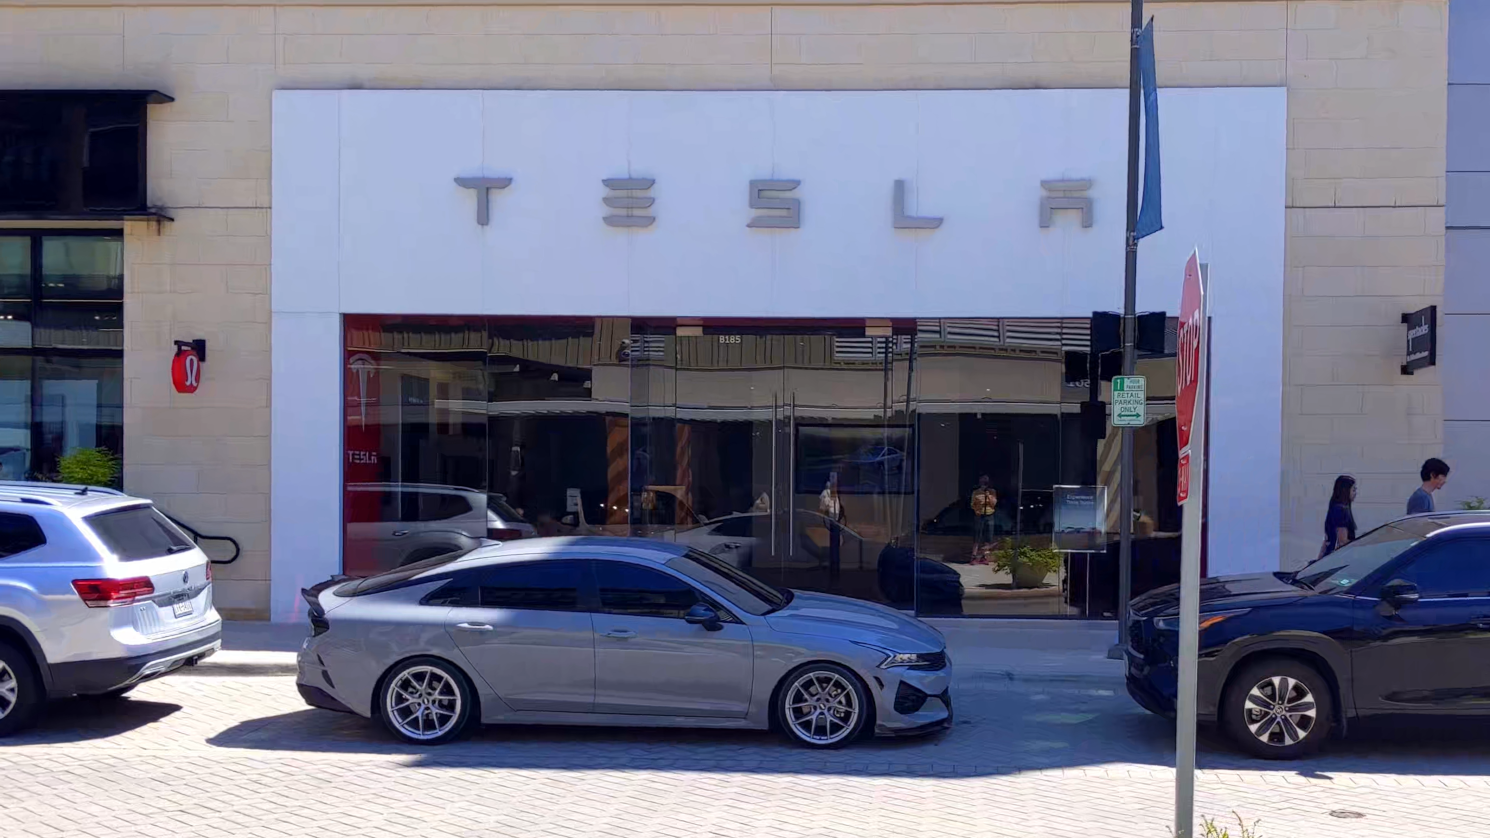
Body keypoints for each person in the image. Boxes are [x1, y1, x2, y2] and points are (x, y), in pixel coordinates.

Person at [819, 473, 846, 585]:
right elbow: (823, 506)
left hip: (835, 520)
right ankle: (833, 574)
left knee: (836, 546)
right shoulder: (827, 494)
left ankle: (835, 575)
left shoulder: (835, 495)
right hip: (832, 520)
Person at [1321, 475, 1357, 558]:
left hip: (1328, 557)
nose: (1355, 493)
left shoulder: (1334, 507)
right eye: (1353, 490)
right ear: (1345, 491)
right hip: (1338, 558)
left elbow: (1327, 541)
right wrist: (1364, 542)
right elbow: (1342, 542)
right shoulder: (1341, 510)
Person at [969, 475, 998, 564]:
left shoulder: (992, 492)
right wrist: (976, 510)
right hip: (979, 515)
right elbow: (972, 504)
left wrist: (988, 496)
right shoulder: (976, 492)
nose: (984, 484)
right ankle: (973, 557)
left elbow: (994, 503)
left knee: (988, 537)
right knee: (977, 536)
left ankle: (983, 556)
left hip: (989, 515)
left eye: (986, 483)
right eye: (983, 482)